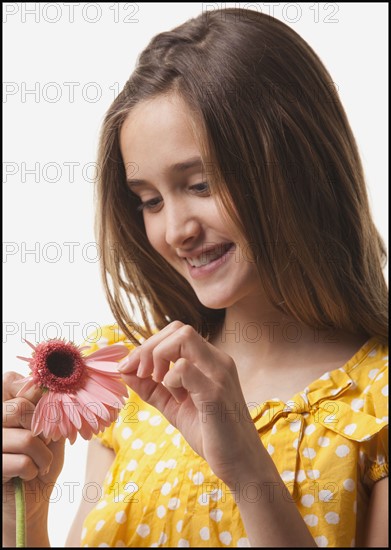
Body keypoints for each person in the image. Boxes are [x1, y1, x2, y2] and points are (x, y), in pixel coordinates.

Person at [3, 7, 388, 547]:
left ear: (296, 165)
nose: (175, 230)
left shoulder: (377, 405)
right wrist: (24, 517)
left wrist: (249, 472)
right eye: (150, 200)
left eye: (201, 185)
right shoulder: (127, 389)